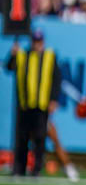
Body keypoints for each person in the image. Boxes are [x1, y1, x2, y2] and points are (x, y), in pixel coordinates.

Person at [6, 29, 60, 176]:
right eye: (34, 41)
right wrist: (12, 55)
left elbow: (56, 80)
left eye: (39, 41)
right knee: (22, 138)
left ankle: (36, 168)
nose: (36, 44)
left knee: (40, 138)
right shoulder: (23, 55)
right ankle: (19, 168)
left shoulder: (50, 56)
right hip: (25, 103)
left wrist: (54, 99)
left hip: (41, 104)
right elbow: (9, 67)